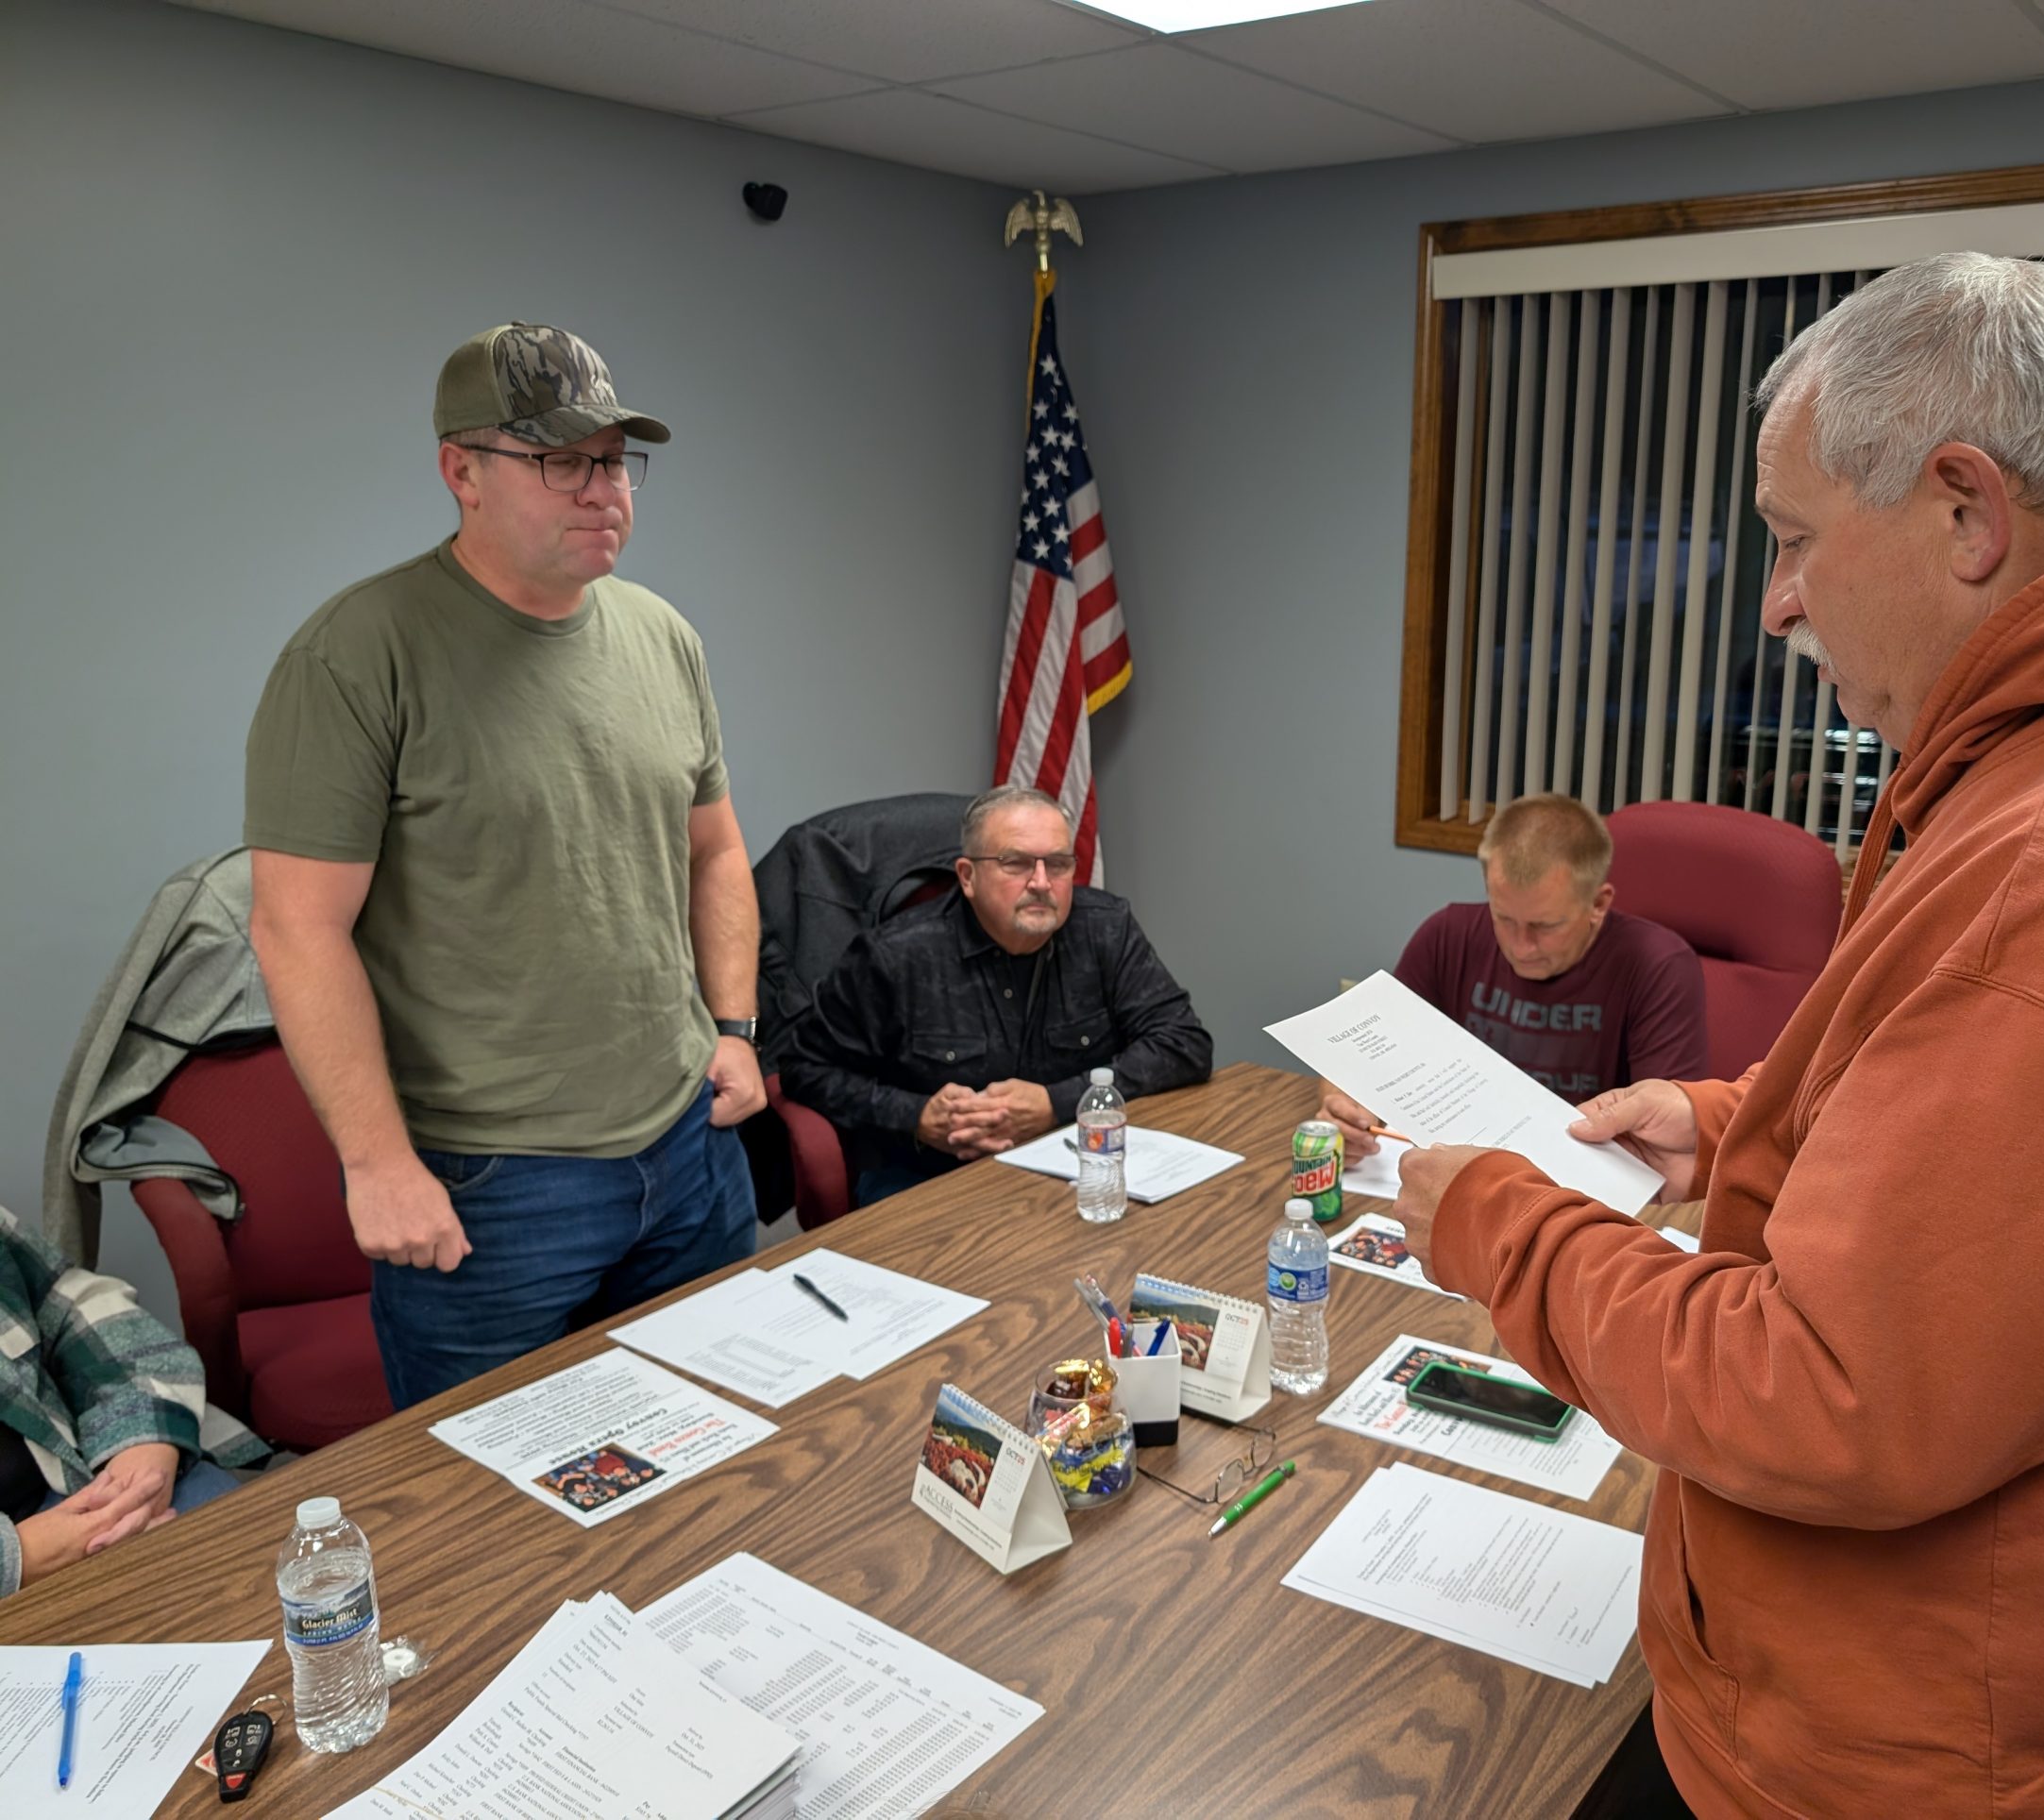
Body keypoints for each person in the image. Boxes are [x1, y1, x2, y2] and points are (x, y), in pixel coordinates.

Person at [1394, 251, 2044, 1815]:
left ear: (1965, 511)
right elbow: (2034, 1179)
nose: (1777, 598)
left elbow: (1827, 1392)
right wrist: (1729, 1129)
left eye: (1795, 538)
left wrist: (1497, 1223)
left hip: (1967, 1752)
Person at [245, 323, 767, 1409]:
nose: (602, 489)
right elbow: (298, 927)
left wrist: (733, 1028)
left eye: (616, 460)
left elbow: (714, 848)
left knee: (718, 1446)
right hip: (492, 1184)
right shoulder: (358, 653)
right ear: (461, 472)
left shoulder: (661, 634)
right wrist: (378, 1163)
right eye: (560, 459)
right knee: (490, 1517)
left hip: (686, 1144)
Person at [774, 786, 1213, 1203]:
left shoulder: (1106, 930)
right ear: (967, 876)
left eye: (1057, 864)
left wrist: (1055, 1102)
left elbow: (1184, 1044)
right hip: (932, 1179)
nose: (1042, 882)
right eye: (1017, 863)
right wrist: (914, 1115)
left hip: (1079, 1163)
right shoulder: (895, 956)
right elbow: (803, 1067)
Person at [1320, 792, 1706, 1160]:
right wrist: (1346, 1111)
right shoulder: (1447, 935)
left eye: (1546, 926)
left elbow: (1664, 1142)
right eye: (1504, 918)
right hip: (1454, 1163)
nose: (1522, 947)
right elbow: (1358, 1063)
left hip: (1579, 1180)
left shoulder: (1658, 965)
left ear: (1598, 904)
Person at [2, 1205, 263, 1597]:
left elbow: (69, 1302)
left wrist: (140, 1437)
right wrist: (17, 1559)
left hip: (81, 1474)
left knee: (263, 1567)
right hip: (23, 1556)